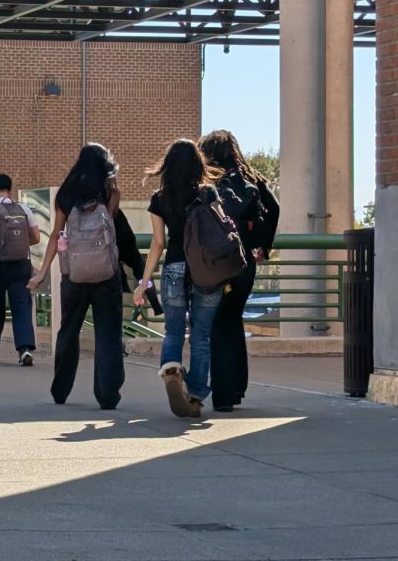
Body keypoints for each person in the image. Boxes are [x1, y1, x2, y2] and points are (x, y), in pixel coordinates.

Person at [27, 144, 125, 410]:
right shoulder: (108, 191)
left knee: (69, 329)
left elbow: (56, 235)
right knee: (108, 332)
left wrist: (42, 273)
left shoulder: (66, 193)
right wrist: (113, 185)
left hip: (74, 274)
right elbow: (111, 224)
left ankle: (61, 390)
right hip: (106, 273)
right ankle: (107, 395)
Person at [134, 139, 223, 418]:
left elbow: (158, 244)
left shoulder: (160, 198)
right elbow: (222, 231)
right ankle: (195, 395)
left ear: (168, 166)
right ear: (198, 164)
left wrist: (143, 282)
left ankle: (172, 368)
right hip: (206, 270)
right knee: (202, 336)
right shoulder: (208, 193)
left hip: (174, 268)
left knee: (173, 331)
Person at [198, 130, 274, 412]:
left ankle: (223, 395)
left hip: (218, 261)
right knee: (234, 320)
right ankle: (237, 387)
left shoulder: (210, 181)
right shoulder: (251, 179)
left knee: (219, 324)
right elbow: (274, 209)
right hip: (245, 264)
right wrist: (263, 246)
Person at [0, 174, 41, 366]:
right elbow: (36, 237)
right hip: (21, 264)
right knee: (21, 306)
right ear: (10, 189)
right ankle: (25, 348)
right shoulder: (23, 209)